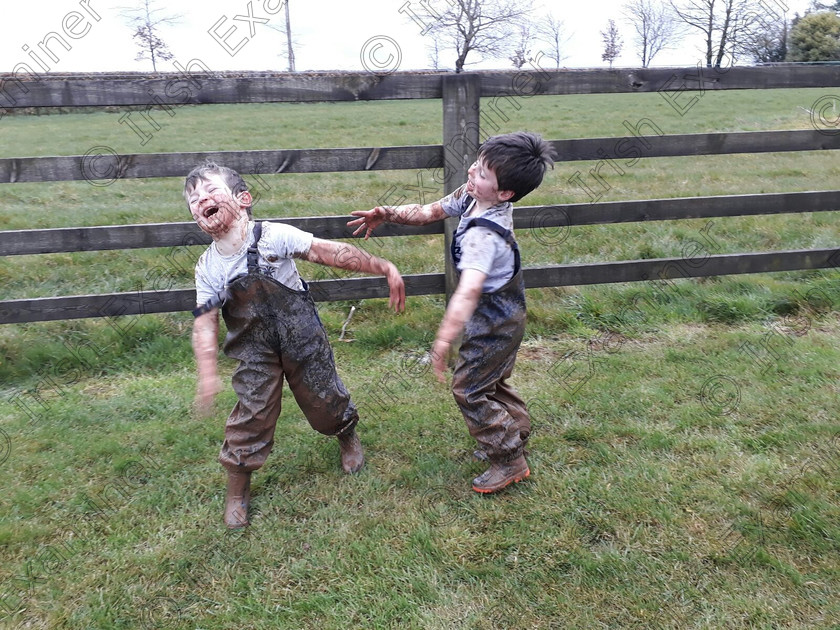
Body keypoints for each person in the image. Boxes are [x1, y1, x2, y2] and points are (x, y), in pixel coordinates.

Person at [186, 161, 405, 528]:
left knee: (324, 399)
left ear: (243, 199)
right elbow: (204, 322)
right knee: (251, 413)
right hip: (254, 351)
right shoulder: (208, 268)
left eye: (210, 192)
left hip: (302, 338)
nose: (200, 201)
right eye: (193, 200)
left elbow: (328, 252)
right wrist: (207, 373)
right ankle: (238, 485)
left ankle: (346, 435)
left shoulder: (273, 237)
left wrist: (382, 266)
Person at [348, 131, 554, 494]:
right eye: (477, 163)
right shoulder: (473, 197)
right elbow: (430, 211)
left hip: (495, 323)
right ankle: (514, 431)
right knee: (490, 381)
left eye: (483, 173)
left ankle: (508, 459)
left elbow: (469, 289)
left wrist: (443, 338)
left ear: (505, 193)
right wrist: (388, 213)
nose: (472, 172)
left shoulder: (484, 236)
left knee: (469, 388)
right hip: (505, 315)